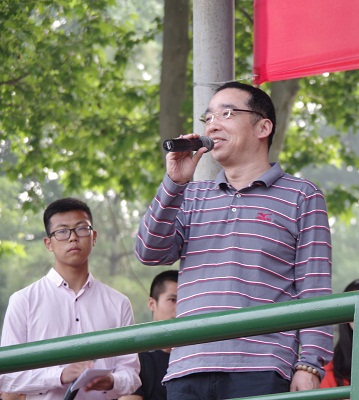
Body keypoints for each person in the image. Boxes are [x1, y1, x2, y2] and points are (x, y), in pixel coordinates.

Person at [135, 81, 333, 399]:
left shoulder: (301, 195)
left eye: (227, 113)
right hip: (187, 367)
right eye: (208, 117)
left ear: (263, 127)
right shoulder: (190, 194)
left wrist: (309, 365)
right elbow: (148, 252)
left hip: (262, 368)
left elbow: (315, 288)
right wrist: (173, 183)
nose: (213, 125)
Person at [0, 197, 141, 399]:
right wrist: (60, 375)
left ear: (94, 236)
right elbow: (7, 376)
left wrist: (112, 381)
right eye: (62, 231)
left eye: (82, 229)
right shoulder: (23, 301)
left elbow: (131, 375)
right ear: (48, 243)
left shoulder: (118, 303)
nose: (73, 238)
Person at [119, 270, 178, 400]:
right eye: (173, 300)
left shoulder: (197, 358)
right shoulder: (135, 359)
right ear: (152, 304)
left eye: (184, 300)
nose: (179, 307)